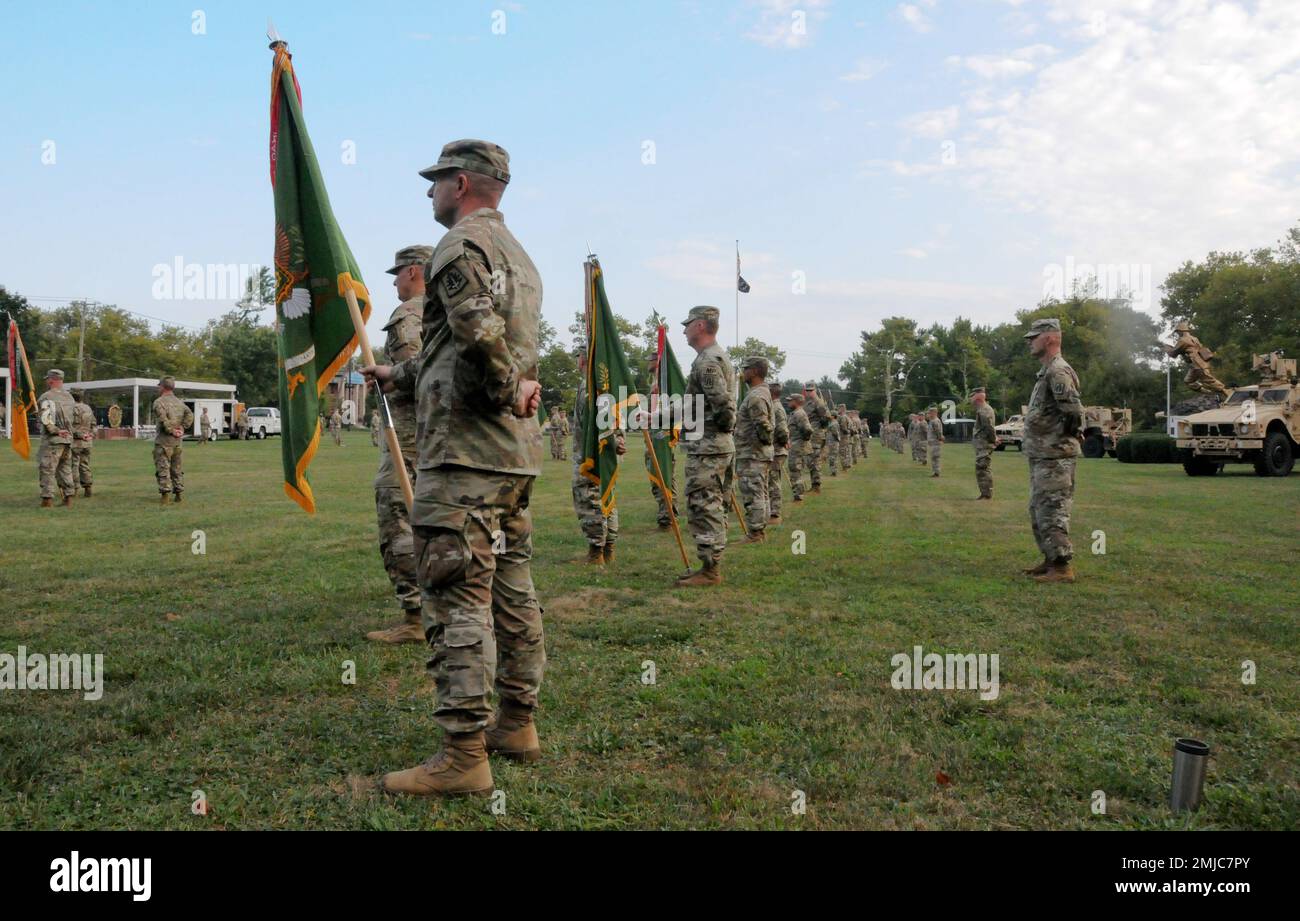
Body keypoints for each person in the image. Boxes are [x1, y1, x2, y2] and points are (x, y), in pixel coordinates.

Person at [363, 139, 545, 796]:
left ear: (461, 182)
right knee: (512, 589)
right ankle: (517, 722)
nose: (429, 193)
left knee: (456, 594)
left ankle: (464, 754)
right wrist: (398, 373)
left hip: (463, 454)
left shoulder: (459, 245)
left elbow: (476, 332)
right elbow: (457, 349)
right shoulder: (520, 257)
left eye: (436, 181)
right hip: (510, 457)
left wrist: (504, 388)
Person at [367, 244, 433, 645]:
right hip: (440, 436)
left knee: (398, 516)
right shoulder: (449, 311)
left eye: (397, 273)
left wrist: (389, 375)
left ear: (413, 271)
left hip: (408, 435)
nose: (393, 281)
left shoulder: (411, 314)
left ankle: (416, 616)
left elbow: (416, 371)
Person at [676, 306, 736, 587]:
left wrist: (720, 430)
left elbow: (722, 404)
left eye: (687, 324)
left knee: (705, 506)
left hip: (709, 447)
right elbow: (694, 405)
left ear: (700, 326)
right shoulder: (712, 357)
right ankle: (708, 565)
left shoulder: (707, 362)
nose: (684, 330)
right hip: (713, 445)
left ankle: (711, 569)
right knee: (712, 504)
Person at [1021, 318, 1083, 583]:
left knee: (1053, 510)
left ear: (1049, 339)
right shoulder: (1046, 371)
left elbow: (1073, 411)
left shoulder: (1058, 371)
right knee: (1039, 509)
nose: (1029, 342)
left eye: (1033, 337)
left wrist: (1062, 436)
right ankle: (1050, 560)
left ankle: (1061, 567)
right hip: (1043, 454)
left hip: (1055, 456)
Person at [572, 352, 625, 563]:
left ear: (583, 359)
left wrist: (612, 441)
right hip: (607, 451)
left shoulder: (589, 386)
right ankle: (609, 547)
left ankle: (596, 552)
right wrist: (617, 440)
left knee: (589, 499)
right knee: (607, 497)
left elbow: (593, 424)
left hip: (590, 455)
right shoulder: (606, 385)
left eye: (578, 357)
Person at [734, 356, 774, 544]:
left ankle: (756, 533)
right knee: (760, 493)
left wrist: (759, 445)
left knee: (753, 494)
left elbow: (763, 426)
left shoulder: (757, 396)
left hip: (753, 454)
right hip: (756, 453)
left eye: (746, 369)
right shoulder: (760, 393)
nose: (743, 372)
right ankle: (759, 530)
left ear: (755, 371)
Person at [36, 369, 76, 508]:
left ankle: (47, 500)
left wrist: (57, 431)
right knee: (65, 469)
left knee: (47, 468)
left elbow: (46, 420)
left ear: (51, 380)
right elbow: (74, 419)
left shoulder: (46, 397)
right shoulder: (70, 397)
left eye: (48, 379)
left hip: (53, 439)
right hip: (68, 440)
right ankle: (68, 497)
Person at [152, 376, 193, 505]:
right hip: (177, 442)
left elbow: (162, 419)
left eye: (159, 386)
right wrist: (182, 428)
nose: (158, 388)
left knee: (163, 468)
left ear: (163, 387)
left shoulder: (159, 402)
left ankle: (165, 497)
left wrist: (172, 430)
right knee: (177, 468)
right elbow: (189, 415)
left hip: (164, 441)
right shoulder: (180, 403)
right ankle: (179, 494)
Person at [768, 382, 789, 524]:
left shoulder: (776, 408)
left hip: (776, 450)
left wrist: (782, 442)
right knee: (772, 481)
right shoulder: (774, 407)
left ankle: (775, 514)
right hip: (775, 450)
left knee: (773, 482)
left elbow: (781, 431)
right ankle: (772, 511)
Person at [971, 388, 999, 500]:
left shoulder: (984, 411)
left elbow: (989, 428)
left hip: (984, 445)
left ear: (977, 397)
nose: (970, 400)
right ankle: (984, 493)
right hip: (982, 444)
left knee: (983, 468)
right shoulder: (981, 410)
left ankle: (986, 494)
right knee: (981, 468)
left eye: (971, 397)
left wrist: (993, 439)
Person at [786, 392, 813, 503]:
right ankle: (798, 494)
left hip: (798, 447)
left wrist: (802, 441)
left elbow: (807, 430)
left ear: (796, 402)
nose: (788, 402)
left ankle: (799, 496)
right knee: (795, 470)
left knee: (795, 471)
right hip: (795, 446)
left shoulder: (799, 414)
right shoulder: (795, 413)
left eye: (790, 400)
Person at [70, 390, 96, 497]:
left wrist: (80, 435)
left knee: (73, 466)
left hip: (75, 442)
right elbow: (94, 424)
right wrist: (91, 435)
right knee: (84, 465)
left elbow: (69, 426)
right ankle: (87, 487)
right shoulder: (88, 408)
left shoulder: (71, 408)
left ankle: (74, 489)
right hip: (87, 442)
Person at [926, 407, 944, 477]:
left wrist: (940, 439)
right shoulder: (932, 421)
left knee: (935, 457)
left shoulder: (935, 421)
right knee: (933, 457)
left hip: (935, 442)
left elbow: (938, 432)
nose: (929, 414)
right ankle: (935, 472)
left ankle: (936, 472)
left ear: (935, 413)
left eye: (930, 413)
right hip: (932, 442)